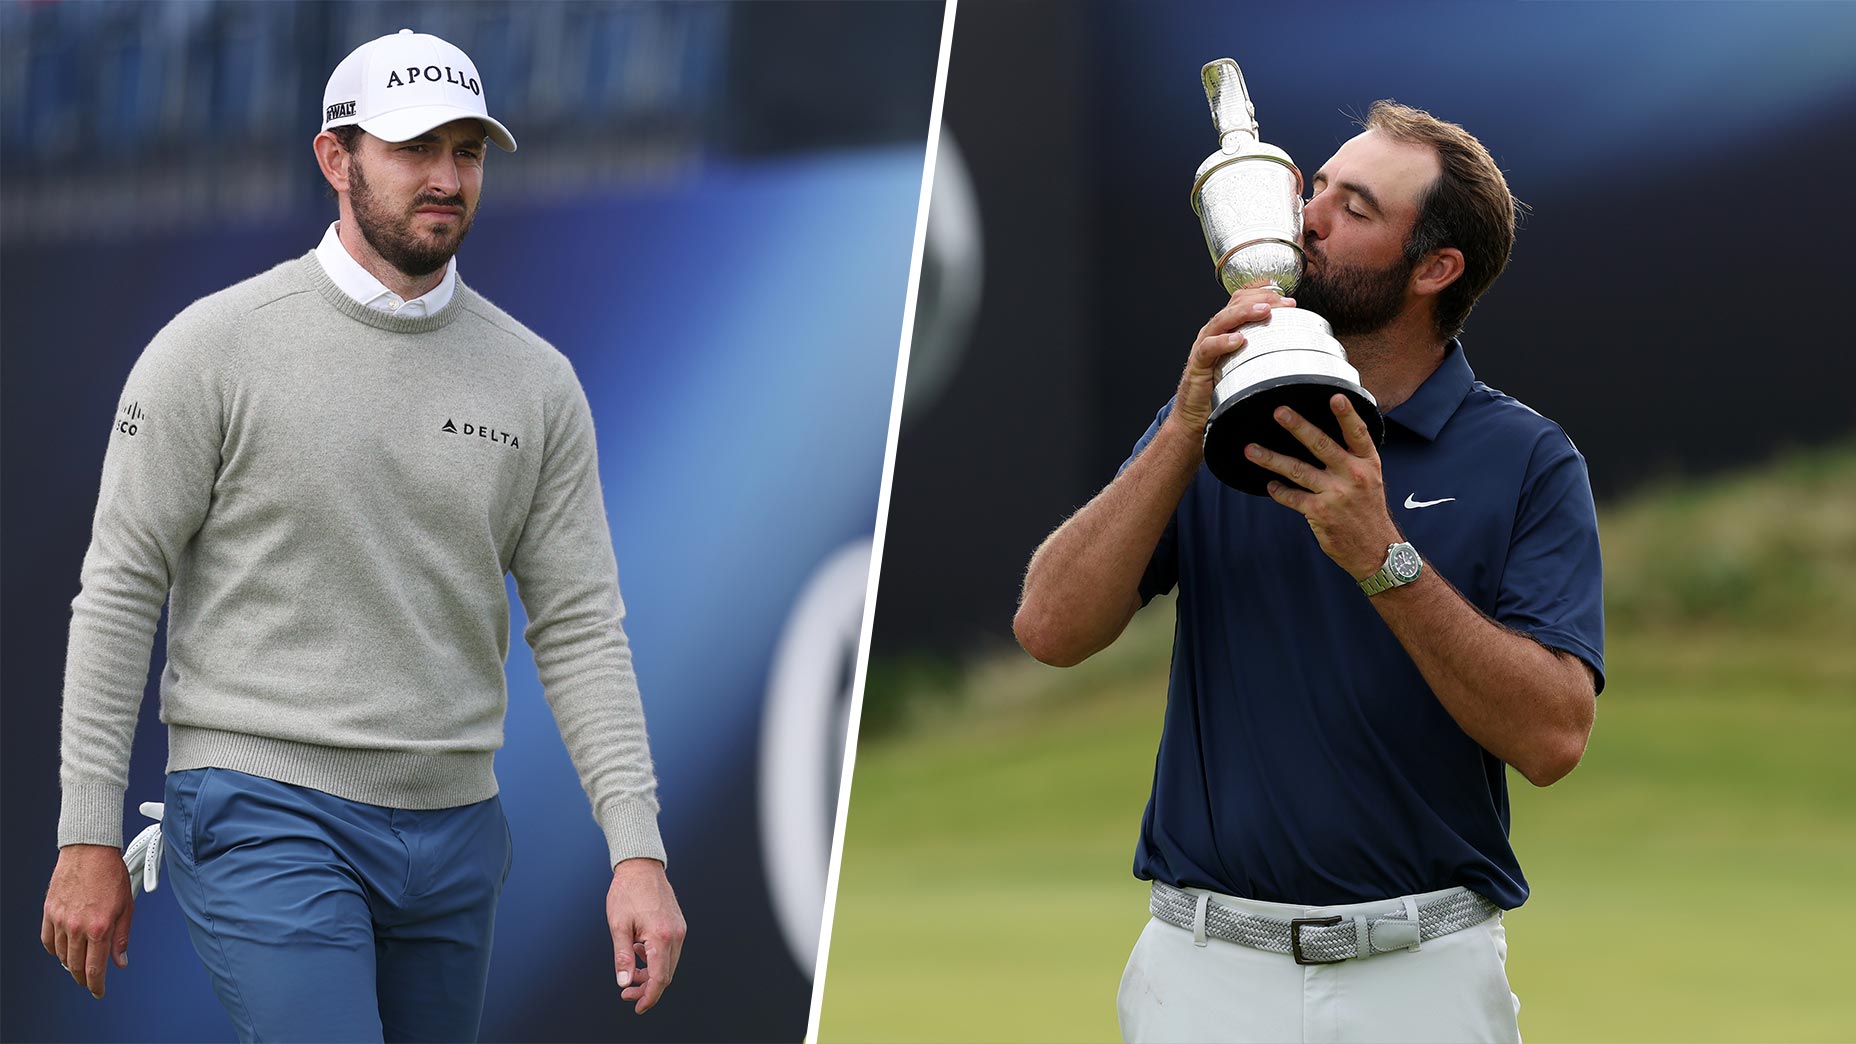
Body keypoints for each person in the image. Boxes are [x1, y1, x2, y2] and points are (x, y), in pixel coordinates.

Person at [40, 29, 686, 1040]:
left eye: (466, 151)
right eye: (413, 147)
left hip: (457, 832)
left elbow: (580, 627)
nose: (445, 177)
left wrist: (636, 851)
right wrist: (86, 833)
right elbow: (121, 589)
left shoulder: (537, 381)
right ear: (334, 159)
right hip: (262, 810)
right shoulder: (210, 349)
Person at [1014, 100, 1603, 1043]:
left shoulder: (1528, 459)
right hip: (1203, 976)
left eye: (1355, 207)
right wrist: (1180, 424)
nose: (1309, 217)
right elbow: (1050, 629)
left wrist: (1383, 559)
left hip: (1423, 978)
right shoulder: (1211, 420)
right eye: (1316, 187)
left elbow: (1552, 738)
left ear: (1435, 269)